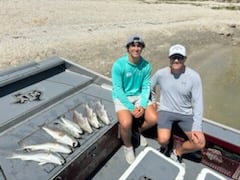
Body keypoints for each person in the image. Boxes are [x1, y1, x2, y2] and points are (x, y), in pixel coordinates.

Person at [151, 44, 206, 167]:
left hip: (185, 114)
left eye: (179, 57)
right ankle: (164, 148)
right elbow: (149, 87)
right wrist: (152, 101)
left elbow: (198, 103)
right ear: (169, 58)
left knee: (199, 143)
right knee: (163, 140)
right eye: (174, 57)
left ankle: (177, 152)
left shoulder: (194, 77)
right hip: (166, 111)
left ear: (185, 59)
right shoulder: (160, 74)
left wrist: (197, 127)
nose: (176, 60)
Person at [111, 35, 158, 164]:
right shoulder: (119, 65)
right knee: (125, 123)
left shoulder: (146, 66)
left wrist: (142, 105)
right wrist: (131, 108)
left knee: (153, 118)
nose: (136, 48)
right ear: (128, 48)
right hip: (122, 97)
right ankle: (128, 147)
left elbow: (146, 86)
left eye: (139, 46)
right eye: (133, 45)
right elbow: (118, 89)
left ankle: (136, 132)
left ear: (142, 48)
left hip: (138, 96)